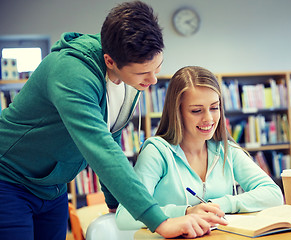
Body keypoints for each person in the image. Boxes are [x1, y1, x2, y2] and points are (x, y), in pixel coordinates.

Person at [0, 2, 227, 240]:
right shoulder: (70, 72)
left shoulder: (130, 75)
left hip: (52, 188)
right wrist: (161, 221)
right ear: (110, 61)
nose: (152, 80)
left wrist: (114, 204)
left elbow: (113, 132)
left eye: (157, 67)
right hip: (9, 180)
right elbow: (100, 148)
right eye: (142, 73)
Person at [115, 66, 284, 229]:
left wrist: (218, 205)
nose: (209, 118)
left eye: (214, 108)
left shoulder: (225, 149)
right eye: (197, 110)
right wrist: (186, 212)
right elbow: (125, 216)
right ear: (177, 112)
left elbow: (273, 194)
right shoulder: (157, 152)